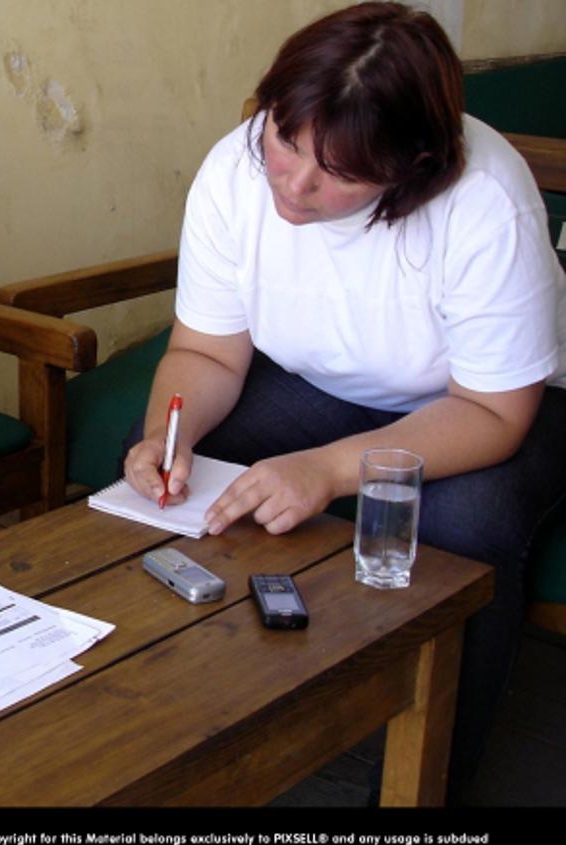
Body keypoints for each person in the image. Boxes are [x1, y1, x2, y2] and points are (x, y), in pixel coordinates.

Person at [121, 2, 565, 801]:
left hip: (489, 408)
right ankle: (205, 710)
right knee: (187, 467)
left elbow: (497, 413)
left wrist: (326, 471)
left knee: (467, 528)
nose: (294, 186)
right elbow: (206, 352)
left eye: (338, 173)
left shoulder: (484, 203)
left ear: (412, 166)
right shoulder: (235, 170)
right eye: (285, 143)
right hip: (324, 383)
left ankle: (425, 782)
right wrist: (168, 432)